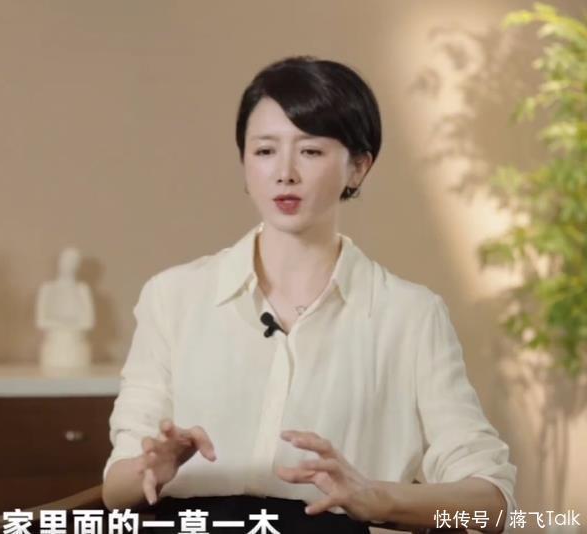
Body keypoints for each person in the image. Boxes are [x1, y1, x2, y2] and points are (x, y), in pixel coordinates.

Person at [101, 56, 516, 533]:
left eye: (311, 151)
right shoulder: (173, 297)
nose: (285, 173)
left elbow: (492, 504)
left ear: (358, 168)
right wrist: (153, 468)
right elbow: (116, 488)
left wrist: (375, 496)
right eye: (264, 151)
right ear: (244, 164)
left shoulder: (410, 315)